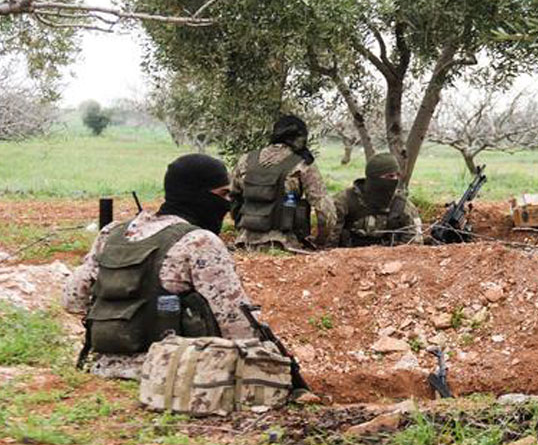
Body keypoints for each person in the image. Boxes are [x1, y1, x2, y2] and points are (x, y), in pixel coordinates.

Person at [63, 154, 258, 380]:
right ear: (198, 195)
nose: (226, 203)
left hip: (102, 369)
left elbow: (72, 299)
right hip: (172, 374)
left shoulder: (113, 233)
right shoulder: (199, 241)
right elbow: (237, 323)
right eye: (223, 194)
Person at [230, 115, 336, 251]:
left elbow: (234, 199)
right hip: (285, 246)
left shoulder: (246, 160)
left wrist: (241, 227)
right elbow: (326, 210)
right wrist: (321, 241)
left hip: (244, 244)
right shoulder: (301, 164)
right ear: (301, 137)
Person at [330, 152, 423, 247]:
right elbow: (330, 239)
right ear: (374, 177)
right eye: (389, 176)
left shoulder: (401, 205)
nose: (394, 180)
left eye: (396, 176)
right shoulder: (345, 201)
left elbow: (414, 242)